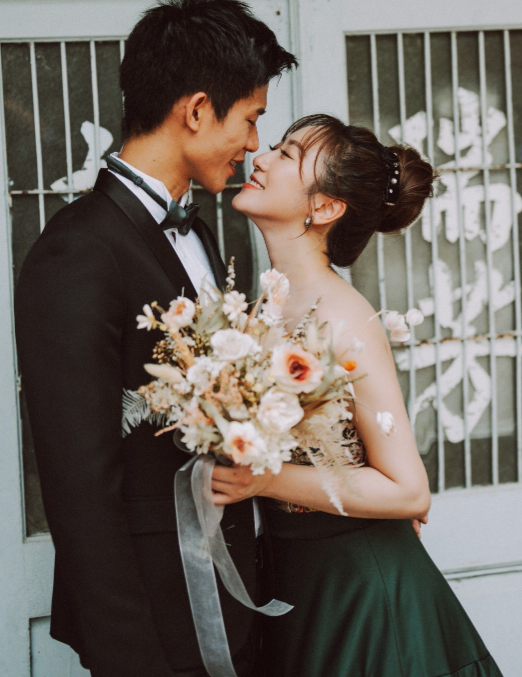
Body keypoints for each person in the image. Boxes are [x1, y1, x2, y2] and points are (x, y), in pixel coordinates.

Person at [14, 0, 296, 677]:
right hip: (153, 620)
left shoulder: (201, 232)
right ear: (196, 111)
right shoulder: (78, 250)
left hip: (232, 594)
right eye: (251, 119)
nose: (254, 144)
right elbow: (77, 487)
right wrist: (131, 659)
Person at [215, 114, 504, 677]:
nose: (261, 158)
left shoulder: (343, 318)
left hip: (363, 593)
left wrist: (265, 481)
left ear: (324, 207)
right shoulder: (264, 306)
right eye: (274, 146)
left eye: (286, 154)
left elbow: (408, 490)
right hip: (296, 581)